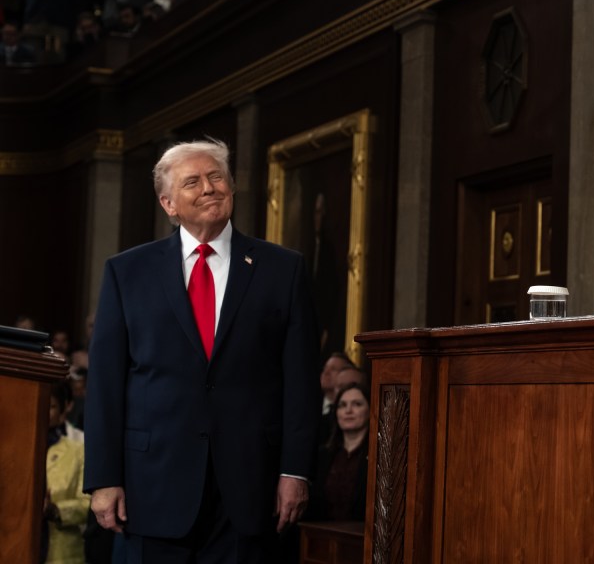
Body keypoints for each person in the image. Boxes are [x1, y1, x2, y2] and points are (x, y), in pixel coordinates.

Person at [84, 139, 320, 559]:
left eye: (216, 177)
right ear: (169, 204)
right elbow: (104, 384)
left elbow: (300, 380)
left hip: (251, 487)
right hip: (150, 486)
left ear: (232, 187)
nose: (209, 188)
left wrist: (295, 470)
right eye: (193, 182)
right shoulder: (126, 272)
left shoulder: (283, 269)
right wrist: (103, 478)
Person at [308, 384, 369, 522]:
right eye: (342, 405)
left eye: (357, 404)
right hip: (322, 535)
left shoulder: (379, 458)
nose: (348, 410)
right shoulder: (322, 455)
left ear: (370, 410)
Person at [45, 380, 88, 564]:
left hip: (63, 553)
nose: (43, 411)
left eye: (51, 406)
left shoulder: (78, 449)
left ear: (64, 409)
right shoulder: (14, 448)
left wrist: (54, 510)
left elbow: (89, 503)